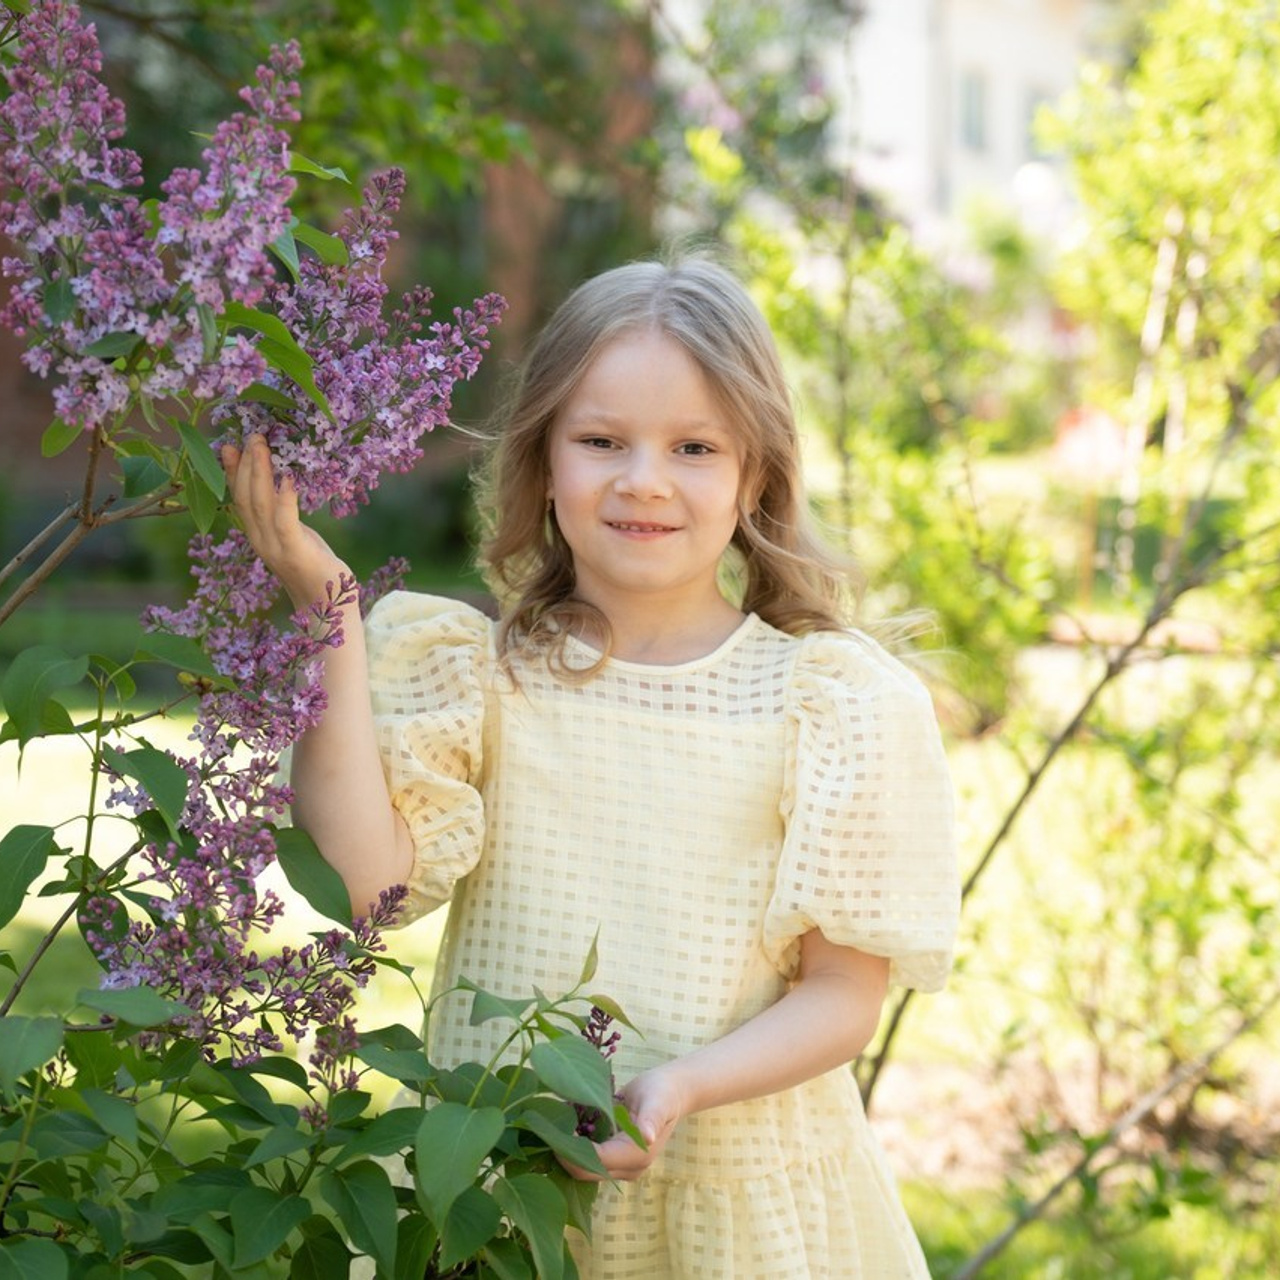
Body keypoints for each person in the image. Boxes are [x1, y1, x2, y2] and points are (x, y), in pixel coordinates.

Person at [224, 256, 960, 1278]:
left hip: (735, 1205)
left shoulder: (824, 701)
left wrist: (681, 1085)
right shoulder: (478, 678)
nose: (643, 478)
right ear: (543, 462)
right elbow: (363, 884)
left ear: (754, 474)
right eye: (601, 439)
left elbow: (841, 994)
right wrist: (327, 612)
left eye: (693, 446)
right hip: (500, 1193)